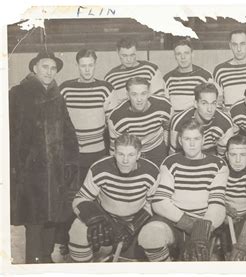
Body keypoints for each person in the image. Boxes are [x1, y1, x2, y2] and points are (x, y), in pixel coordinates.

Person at [9, 48, 79, 263]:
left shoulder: (57, 97)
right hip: (30, 174)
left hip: (56, 171)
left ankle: (46, 259)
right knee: (34, 220)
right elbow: (10, 134)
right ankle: (33, 263)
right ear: (34, 68)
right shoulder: (18, 93)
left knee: (53, 217)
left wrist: (69, 163)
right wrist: (16, 168)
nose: (49, 72)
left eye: (53, 68)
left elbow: (68, 132)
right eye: (45, 67)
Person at [140, 118, 229, 261]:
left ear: (203, 139)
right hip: (175, 221)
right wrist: (188, 224)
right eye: (187, 139)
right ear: (180, 141)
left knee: (198, 259)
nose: (192, 144)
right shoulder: (170, 162)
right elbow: (160, 202)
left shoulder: (218, 164)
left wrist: (201, 231)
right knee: (149, 236)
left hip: (204, 223)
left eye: (196, 138)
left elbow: (217, 204)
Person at [55, 49, 114, 262]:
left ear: (95, 65)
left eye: (90, 65)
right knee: (70, 198)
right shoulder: (66, 88)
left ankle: (96, 243)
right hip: (72, 155)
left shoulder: (105, 89)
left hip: (98, 153)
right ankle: (63, 242)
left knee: (95, 199)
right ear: (77, 65)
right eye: (83, 65)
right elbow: (58, 123)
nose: (87, 69)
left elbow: (111, 125)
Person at [68, 133, 160, 262]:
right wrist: (95, 219)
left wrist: (133, 226)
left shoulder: (151, 172)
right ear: (114, 153)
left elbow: (154, 204)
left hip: (136, 221)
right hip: (106, 218)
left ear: (139, 155)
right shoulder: (99, 168)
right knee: (77, 230)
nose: (125, 160)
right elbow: (80, 199)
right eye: (121, 154)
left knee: (153, 236)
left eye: (131, 155)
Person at [108, 77, 171, 167]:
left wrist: (165, 146)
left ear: (149, 93)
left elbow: (168, 128)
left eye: (143, 93)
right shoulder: (116, 117)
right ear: (127, 95)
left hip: (157, 149)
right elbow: (114, 149)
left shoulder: (164, 105)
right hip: (131, 153)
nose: (139, 99)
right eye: (134, 94)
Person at [169, 82, 234, 158]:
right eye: (204, 103)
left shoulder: (225, 122)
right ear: (196, 104)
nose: (210, 109)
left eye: (213, 103)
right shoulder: (179, 121)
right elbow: (173, 156)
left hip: (212, 155)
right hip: (186, 155)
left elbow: (222, 158)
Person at [105, 37, 165, 109]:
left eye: (132, 55)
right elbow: (112, 107)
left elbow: (160, 99)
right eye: (124, 56)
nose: (129, 59)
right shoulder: (111, 77)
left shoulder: (150, 69)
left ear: (136, 51)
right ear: (117, 52)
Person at [164, 39, 213, 113]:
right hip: (176, 122)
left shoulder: (205, 76)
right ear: (175, 56)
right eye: (178, 54)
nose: (183, 57)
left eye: (186, 53)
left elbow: (211, 105)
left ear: (192, 54)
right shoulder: (167, 79)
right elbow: (165, 107)